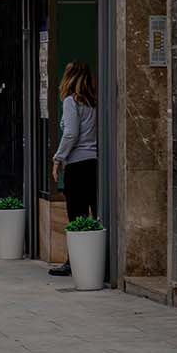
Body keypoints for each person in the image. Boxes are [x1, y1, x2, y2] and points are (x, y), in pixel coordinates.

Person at [49, 62, 99, 277]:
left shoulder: (71, 102)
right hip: (96, 164)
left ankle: (75, 262)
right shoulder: (95, 103)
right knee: (96, 213)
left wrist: (58, 159)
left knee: (77, 215)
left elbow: (70, 133)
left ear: (68, 78)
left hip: (78, 166)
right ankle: (97, 261)